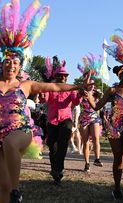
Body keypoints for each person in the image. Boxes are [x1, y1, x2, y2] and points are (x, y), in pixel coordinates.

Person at [0, 0, 91, 202]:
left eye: (15, 62)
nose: (11, 65)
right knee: (3, 185)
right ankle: (10, 191)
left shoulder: (26, 86)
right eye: (7, 61)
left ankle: (17, 192)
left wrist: (79, 87)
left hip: (21, 132)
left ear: (19, 66)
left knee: (10, 151)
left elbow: (55, 87)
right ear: (2, 64)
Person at [86, 27, 123, 202]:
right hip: (114, 127)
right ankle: (117, 189)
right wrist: (88, 95)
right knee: (119, 157)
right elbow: (97, 107)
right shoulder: (111, 90)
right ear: (121, 73)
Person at [40, 56, 83, 185]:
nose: (63, 78)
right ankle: (55, 170)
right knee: (52, 147)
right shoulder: (50, 87)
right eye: (60, 75)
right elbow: (44, 99)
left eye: (64, 76)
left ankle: (58, 169)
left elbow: (75, 101)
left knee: (63, 144)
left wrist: (80, 94)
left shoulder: (71, 88)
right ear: (56, 76)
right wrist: (42, 96)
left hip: (66, 119)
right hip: (52, 120)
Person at [77, 54, 104, 172]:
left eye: (93, 84)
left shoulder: (97, 93)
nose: (91, 85)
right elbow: (85, 85)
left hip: (94, 118)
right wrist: (88, 75)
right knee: (85, 142)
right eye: (89, 84)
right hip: (84, 118)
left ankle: (97, 159)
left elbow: (100, 104)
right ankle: (86, 163)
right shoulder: (82, 93)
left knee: (96, 139)